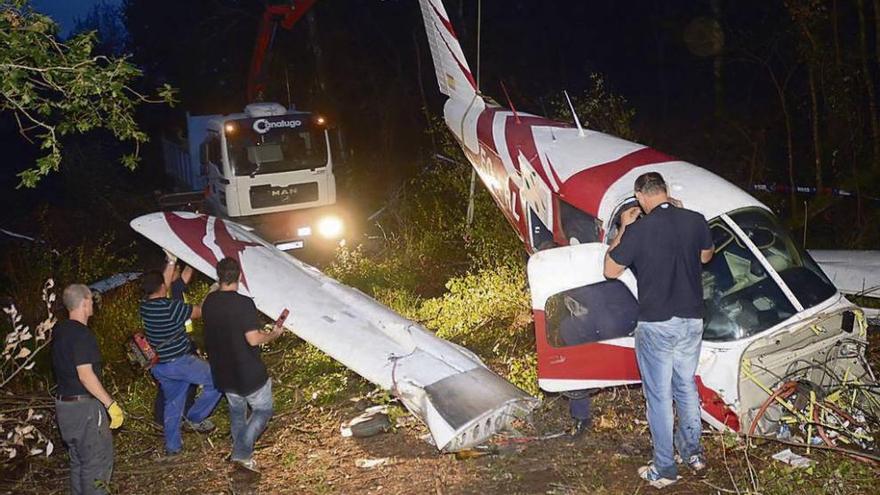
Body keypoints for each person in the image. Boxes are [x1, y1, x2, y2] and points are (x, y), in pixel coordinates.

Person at [604, 172, 714, 489]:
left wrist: (624, 228)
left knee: (660, 397)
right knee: (686, 387)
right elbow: (706, 257)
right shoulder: (695, 220)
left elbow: (610, 271)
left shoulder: (638, 230)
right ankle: (693, 453)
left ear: (640, 197)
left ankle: (665, 467)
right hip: (692, 321)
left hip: (656, 324)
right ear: (666, 192)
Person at [202, 257, 285, 472]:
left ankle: (242, 456)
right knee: (263, 410)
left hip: (223, 372)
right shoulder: (244, 303)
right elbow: (253, 339)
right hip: (248, 371)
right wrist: (273, 334)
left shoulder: (209, 302)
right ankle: (241, 452)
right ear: (239, 276)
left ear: (218, 277)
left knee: (238, 413)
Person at [140, 251, 221, 457]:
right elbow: (200, 311)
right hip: (180, 363)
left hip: (160, 367)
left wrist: (171, 260)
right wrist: (213, 290)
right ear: (162, 288)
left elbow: (164, 283)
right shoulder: (171, 307)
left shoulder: (145, 307)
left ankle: (173, 448)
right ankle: (195, 417)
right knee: (220, 378)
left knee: (173, 404)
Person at [52, 284, 124, 494]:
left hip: (64, 407)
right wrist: (110, 404)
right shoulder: (82, 335)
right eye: (91, 300)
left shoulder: (60, 330)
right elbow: (85, 375)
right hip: (85, 410)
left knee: (79, 462)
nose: (93, 303)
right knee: (96, 464)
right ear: (84, 302)